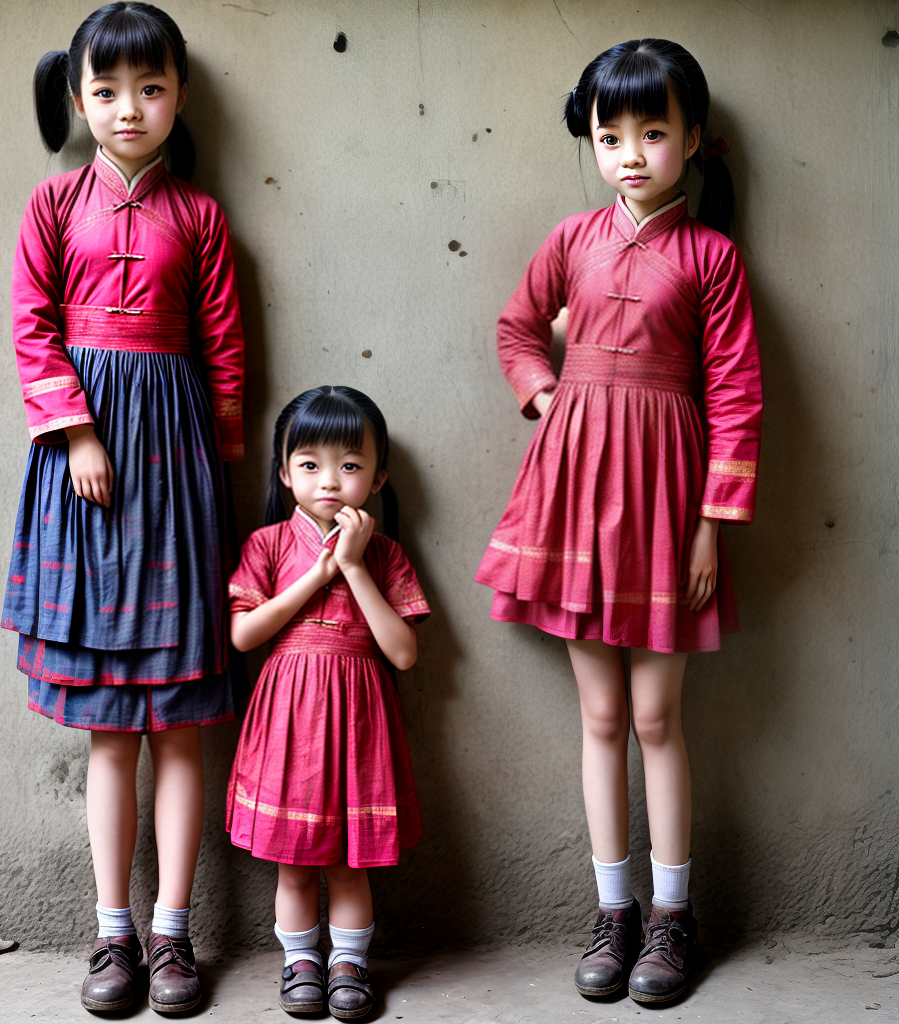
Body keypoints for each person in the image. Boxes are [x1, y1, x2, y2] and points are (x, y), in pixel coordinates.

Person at [476, 39, 762, 1005]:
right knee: (599, 716)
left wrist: (711, 523)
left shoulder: (714, 258)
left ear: (692, 138)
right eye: (611, 135)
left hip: (668, 502)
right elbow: (518, 328)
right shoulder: (571, 240)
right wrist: (545, 392)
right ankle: (615, 913)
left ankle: (675, 921)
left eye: (652, 132)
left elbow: (736, 394)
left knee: (654, 715)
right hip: (572, 493)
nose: (630, 152)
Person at [0, 2, 245, 1013]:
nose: (128, 109)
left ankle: (175, 936)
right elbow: (31, 328)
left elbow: (226, 354)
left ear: (179, 95)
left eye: (150, 89)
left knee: (180, 725)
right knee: (110, 729)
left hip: (178, 480)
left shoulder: (202, 217)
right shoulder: (53, 206)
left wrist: (216, 480)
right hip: (83, 479)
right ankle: (113, 936)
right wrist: (79, 432)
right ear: (78, 98)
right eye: (106, 91)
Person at [226, 386, 428, 1020]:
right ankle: (300, 963)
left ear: (377, 476)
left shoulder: (387, 554)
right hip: (288, 721)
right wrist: (318, 574)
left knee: (347, 864)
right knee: (292, 862)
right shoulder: (266, 547)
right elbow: (243, 635)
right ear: (284, 474)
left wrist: (356, 567)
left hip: (360, 722)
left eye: (350, 465)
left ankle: (349, 965)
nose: (330, 481)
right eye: (309, 464)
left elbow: (402, 653)